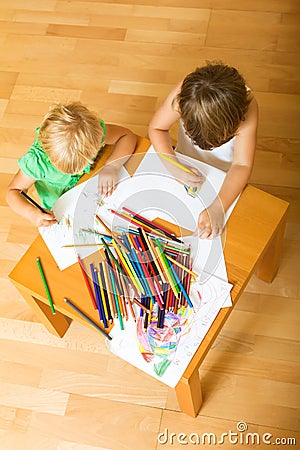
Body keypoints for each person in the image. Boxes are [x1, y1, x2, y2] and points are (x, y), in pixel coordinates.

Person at [148, 61, 258, 239]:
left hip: (226, 174)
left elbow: (242, 164)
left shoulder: (248, 106)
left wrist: (218, 207)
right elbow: (157, 128)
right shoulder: (185, 94)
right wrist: (172, 165)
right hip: (187, 160)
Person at [6, 102, 137, 227]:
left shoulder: (92, 134)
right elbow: (13, 192)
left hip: (90, 188)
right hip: (61, 204)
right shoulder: (36, 162)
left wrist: (112, 166)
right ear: (49, 155)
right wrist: (31, 214)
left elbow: (127, 136)